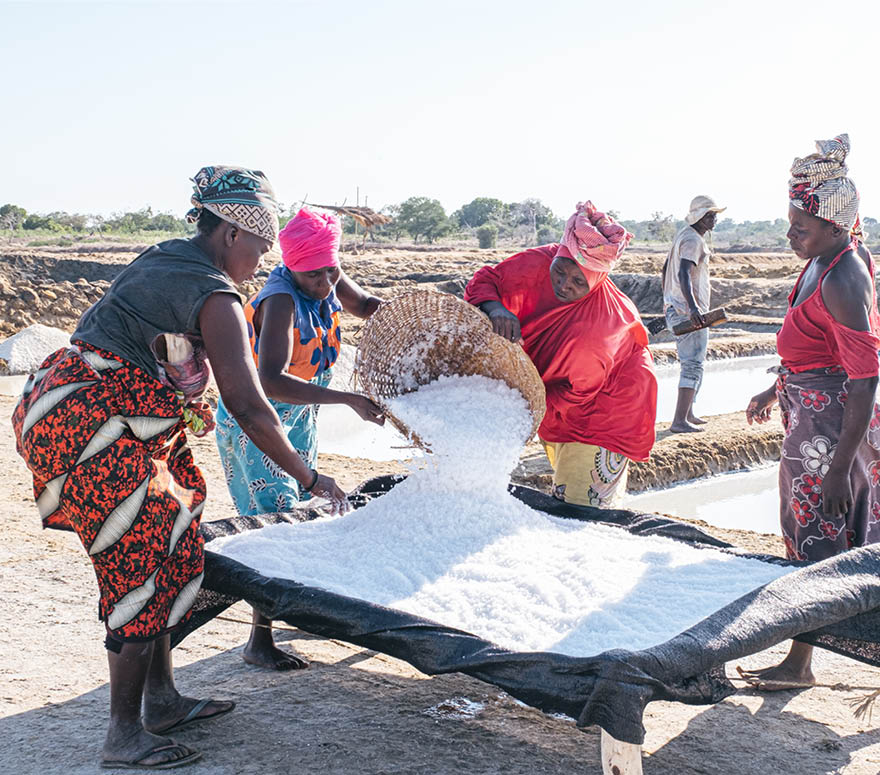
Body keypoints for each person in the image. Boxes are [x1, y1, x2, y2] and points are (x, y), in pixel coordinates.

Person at [11, 166, 347, 769]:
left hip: (117, 413)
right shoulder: (214, 293)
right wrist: (309, 478)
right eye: (259, 244)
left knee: (179, 521)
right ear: (229, 235)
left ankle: (162, 699)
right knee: (137, 555)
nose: (264, 257)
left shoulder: (171, 257)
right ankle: (122, 735)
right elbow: (248, 403)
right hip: (92, 422)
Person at [738, 134, 880, 691]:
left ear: (833, 224)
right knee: (813, 529)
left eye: (800, 226)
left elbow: (865, 376)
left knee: (823, 532)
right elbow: (821, 350)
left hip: (832, 430)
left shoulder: (844, 276)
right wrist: (778, 389)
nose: (790, 235)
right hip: (813, 416)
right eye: (790, 223)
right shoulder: (823, 261)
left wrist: (843, 464)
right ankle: (801, 659)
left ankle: (800, 663)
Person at [215, 207, 384, 670]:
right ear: (291, 266)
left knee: (296, 514)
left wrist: (417, 323)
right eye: (315, 276)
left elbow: (366, 306)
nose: (326, 283)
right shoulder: (282, 300)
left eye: (332, 271)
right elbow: (268, 381)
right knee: (273, 521)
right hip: (258, 422)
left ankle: (278, 613)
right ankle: (258, 640)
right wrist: (348, 399)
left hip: (300, 414)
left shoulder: (325, 272)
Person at [465, 201, 657, 508]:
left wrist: (517, 412)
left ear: (596, 282)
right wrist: (495, 307)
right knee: (564, 489)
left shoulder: (599, 328)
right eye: (560, 272)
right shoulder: (540, 261)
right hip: (552, 388)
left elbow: (577, 393)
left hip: (604, 407)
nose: (564, 285)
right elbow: (487, 280)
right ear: (557, 257)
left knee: (580, 507)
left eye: (578, 282)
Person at [661, 195, 726, 433]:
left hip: (677, 308)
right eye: (710, 215)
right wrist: (693, 308)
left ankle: (688, 414)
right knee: (692, 365)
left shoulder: (684, 236)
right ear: (698, 217)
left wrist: (668, 299)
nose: (714, 220)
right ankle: (680, 421)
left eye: (715, 215)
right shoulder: (693, 240)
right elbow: (683, 274)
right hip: (687, 313)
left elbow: (665, 269)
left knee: (693, 362)